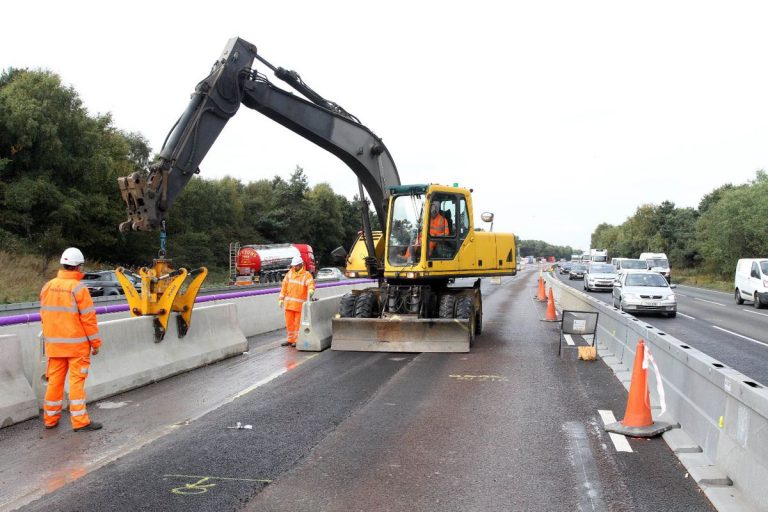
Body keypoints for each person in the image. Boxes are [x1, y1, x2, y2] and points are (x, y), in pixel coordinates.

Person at [39, 247, 102, 431]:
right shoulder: (78, 288)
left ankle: (50, 419)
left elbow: (44, 316)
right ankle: (80, 422)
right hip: (76, 348)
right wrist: (95, 343)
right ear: (78, 267)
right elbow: (88, 319)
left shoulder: (47, 286)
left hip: (54, 347)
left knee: (55, 383)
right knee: (76, 384)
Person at [278, 255, 316, 347]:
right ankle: (290, 339)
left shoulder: (306, 275)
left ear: (301, 264)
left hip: (299, 305)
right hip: (289, 305)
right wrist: (281, 299)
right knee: (289, 323)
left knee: (297, 324)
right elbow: (284, 287)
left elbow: (310, 284)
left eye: (296, 265)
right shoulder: (289, 274)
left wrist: (311, 290)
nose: (294, 267)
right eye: (293, 266)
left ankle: (297, 340)